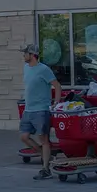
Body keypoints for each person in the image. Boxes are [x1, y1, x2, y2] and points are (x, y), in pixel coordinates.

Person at [19, 44, 62, 180]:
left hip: (41, 110)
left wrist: (56, 102)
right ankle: (46, 156)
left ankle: (45, 169)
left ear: (32, 55)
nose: (23, 55)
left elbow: (57, 85)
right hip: (28, 109)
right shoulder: (26, 68)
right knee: (24, 136)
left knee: (43, 139)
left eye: (25, 53)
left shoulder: (44, 69)